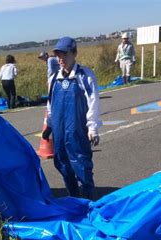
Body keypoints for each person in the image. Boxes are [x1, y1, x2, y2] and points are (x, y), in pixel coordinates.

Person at [42, 37, 102, 199]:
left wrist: (93, 127)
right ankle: (73, 198)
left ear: (74, 54)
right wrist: (49, 124)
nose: (61, 59)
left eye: (65, 54)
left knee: (81, 163)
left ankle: (88, 200)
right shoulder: (54, 79)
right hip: (59, 130)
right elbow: (50, 103)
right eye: (58, 55)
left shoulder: (84, 76)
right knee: (62, 163)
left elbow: (93, 101)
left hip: (77, 129)